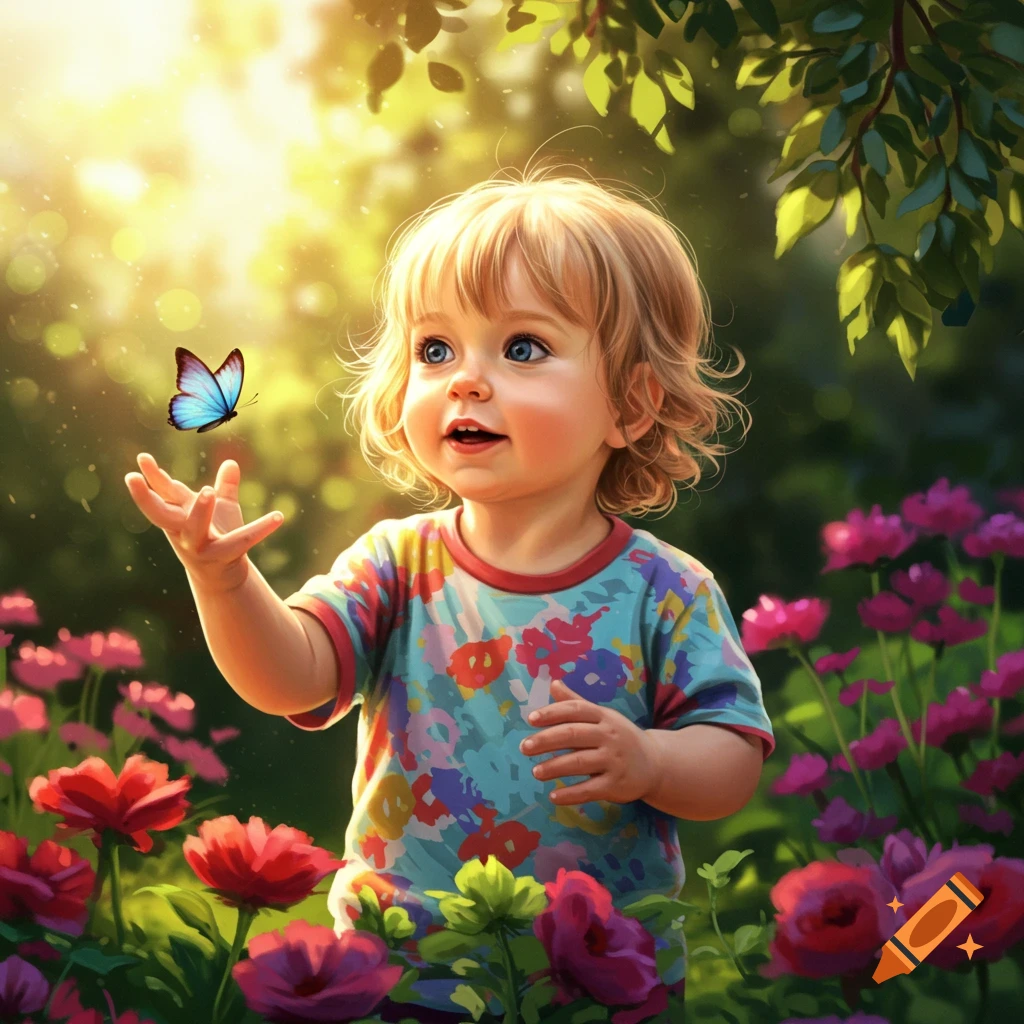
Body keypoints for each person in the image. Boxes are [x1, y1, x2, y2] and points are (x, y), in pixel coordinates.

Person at [125, 167, 774, 1023]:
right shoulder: (396, 563)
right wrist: (224, 580)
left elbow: (731, 761)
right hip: (400, 971)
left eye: (523, 348)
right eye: (436, 350)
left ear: (631, 403)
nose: (466, 380)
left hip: (593, 986)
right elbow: (290, 677)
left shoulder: (667, 591)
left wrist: (651, 761)